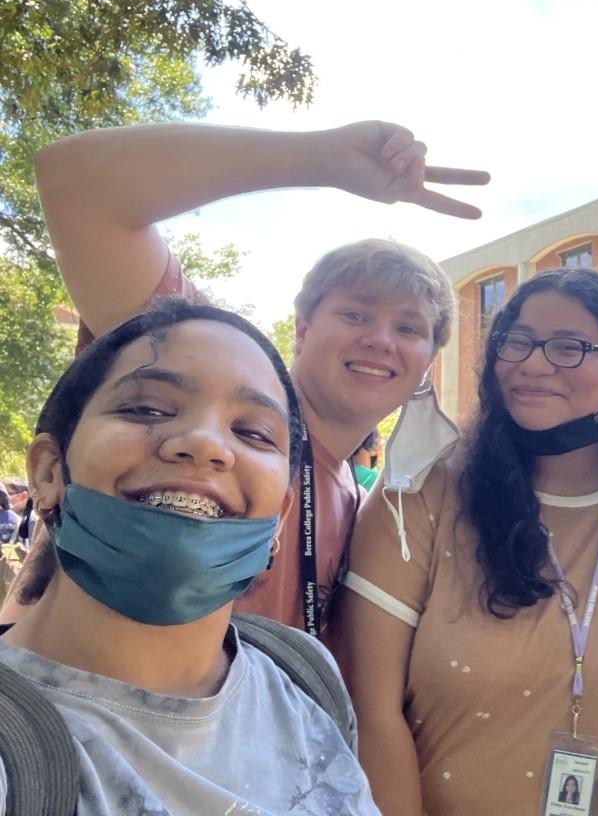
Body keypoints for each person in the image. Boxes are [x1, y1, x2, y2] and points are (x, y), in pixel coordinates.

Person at [3, 120, 487, 634]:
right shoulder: (198, 364)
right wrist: (321, 157)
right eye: (355, 314)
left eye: (408, 328)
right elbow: (80, 186)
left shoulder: (361, 505)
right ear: (302, 330)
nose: (380, 340)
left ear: (428, 362)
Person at [330, 268, 598, 815]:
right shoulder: (421, 493)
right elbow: (368, 706)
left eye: (570, 347)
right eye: (518, 340)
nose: (533, 363)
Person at [0, 299, 380, 815]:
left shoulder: (304, 678)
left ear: (280, 516)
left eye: (253, 433)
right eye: (147, 409)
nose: (204, 444)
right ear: (48, 472)